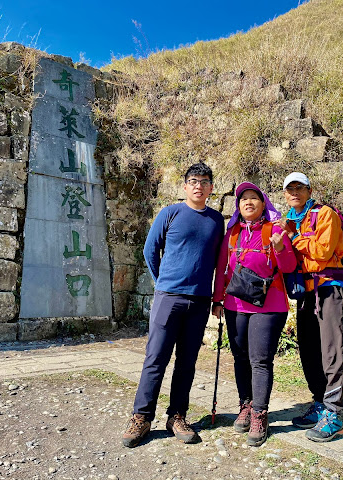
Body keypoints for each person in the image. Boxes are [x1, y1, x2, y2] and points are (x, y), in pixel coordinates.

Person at [122, 163, 224, 448]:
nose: (199, 186)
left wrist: (217, 297)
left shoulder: (217, 220)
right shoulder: (171, 213)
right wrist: (162, 282)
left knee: (187, 362)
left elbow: (220, 262)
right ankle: (141, 417)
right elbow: (149, 249)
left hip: (200, 301)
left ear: (211, 187)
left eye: (205, 181)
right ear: (185, 185)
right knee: (155, 358)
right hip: (169, 297)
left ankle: (176, 416)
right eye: (193, 181)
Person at [212, 182, 296, 446]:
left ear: (263, 204)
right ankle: (245, 405)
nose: (248, 202)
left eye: (253, 198)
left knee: (260, 360)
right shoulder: (233, 233)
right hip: (235, 305)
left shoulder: (275, 231)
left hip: (269, 306)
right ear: (238, 207)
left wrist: (280, 248)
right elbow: (222, 268)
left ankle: (260, 414)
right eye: (243, 199)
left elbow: (290, 266)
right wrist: (217, 300)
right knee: (239, 357)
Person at [276, 172, 343, 442]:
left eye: (300, 187)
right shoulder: (290, 220)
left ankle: (333, 414)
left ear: (309, 190)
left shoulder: (325, 214)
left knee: (332, 349)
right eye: (289, 189)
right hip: (305, 291)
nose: (294, 192)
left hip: (328, 286)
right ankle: (319, 403)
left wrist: (294, 238)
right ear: (284, 194)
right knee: (308, 349)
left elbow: (323, 251)